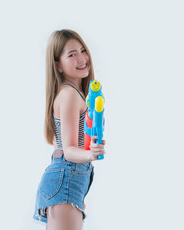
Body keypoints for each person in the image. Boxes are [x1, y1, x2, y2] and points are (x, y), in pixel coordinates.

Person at [33, 29, 106, 230]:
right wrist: (91, 153)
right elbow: (69, 150)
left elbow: (63, 145)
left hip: (69, 179)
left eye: (83, 51)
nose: (82, 58)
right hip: (66, 178)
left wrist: (89, 148)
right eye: (72, 54)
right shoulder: (69, 95)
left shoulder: (73, 94)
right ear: (57, 64)